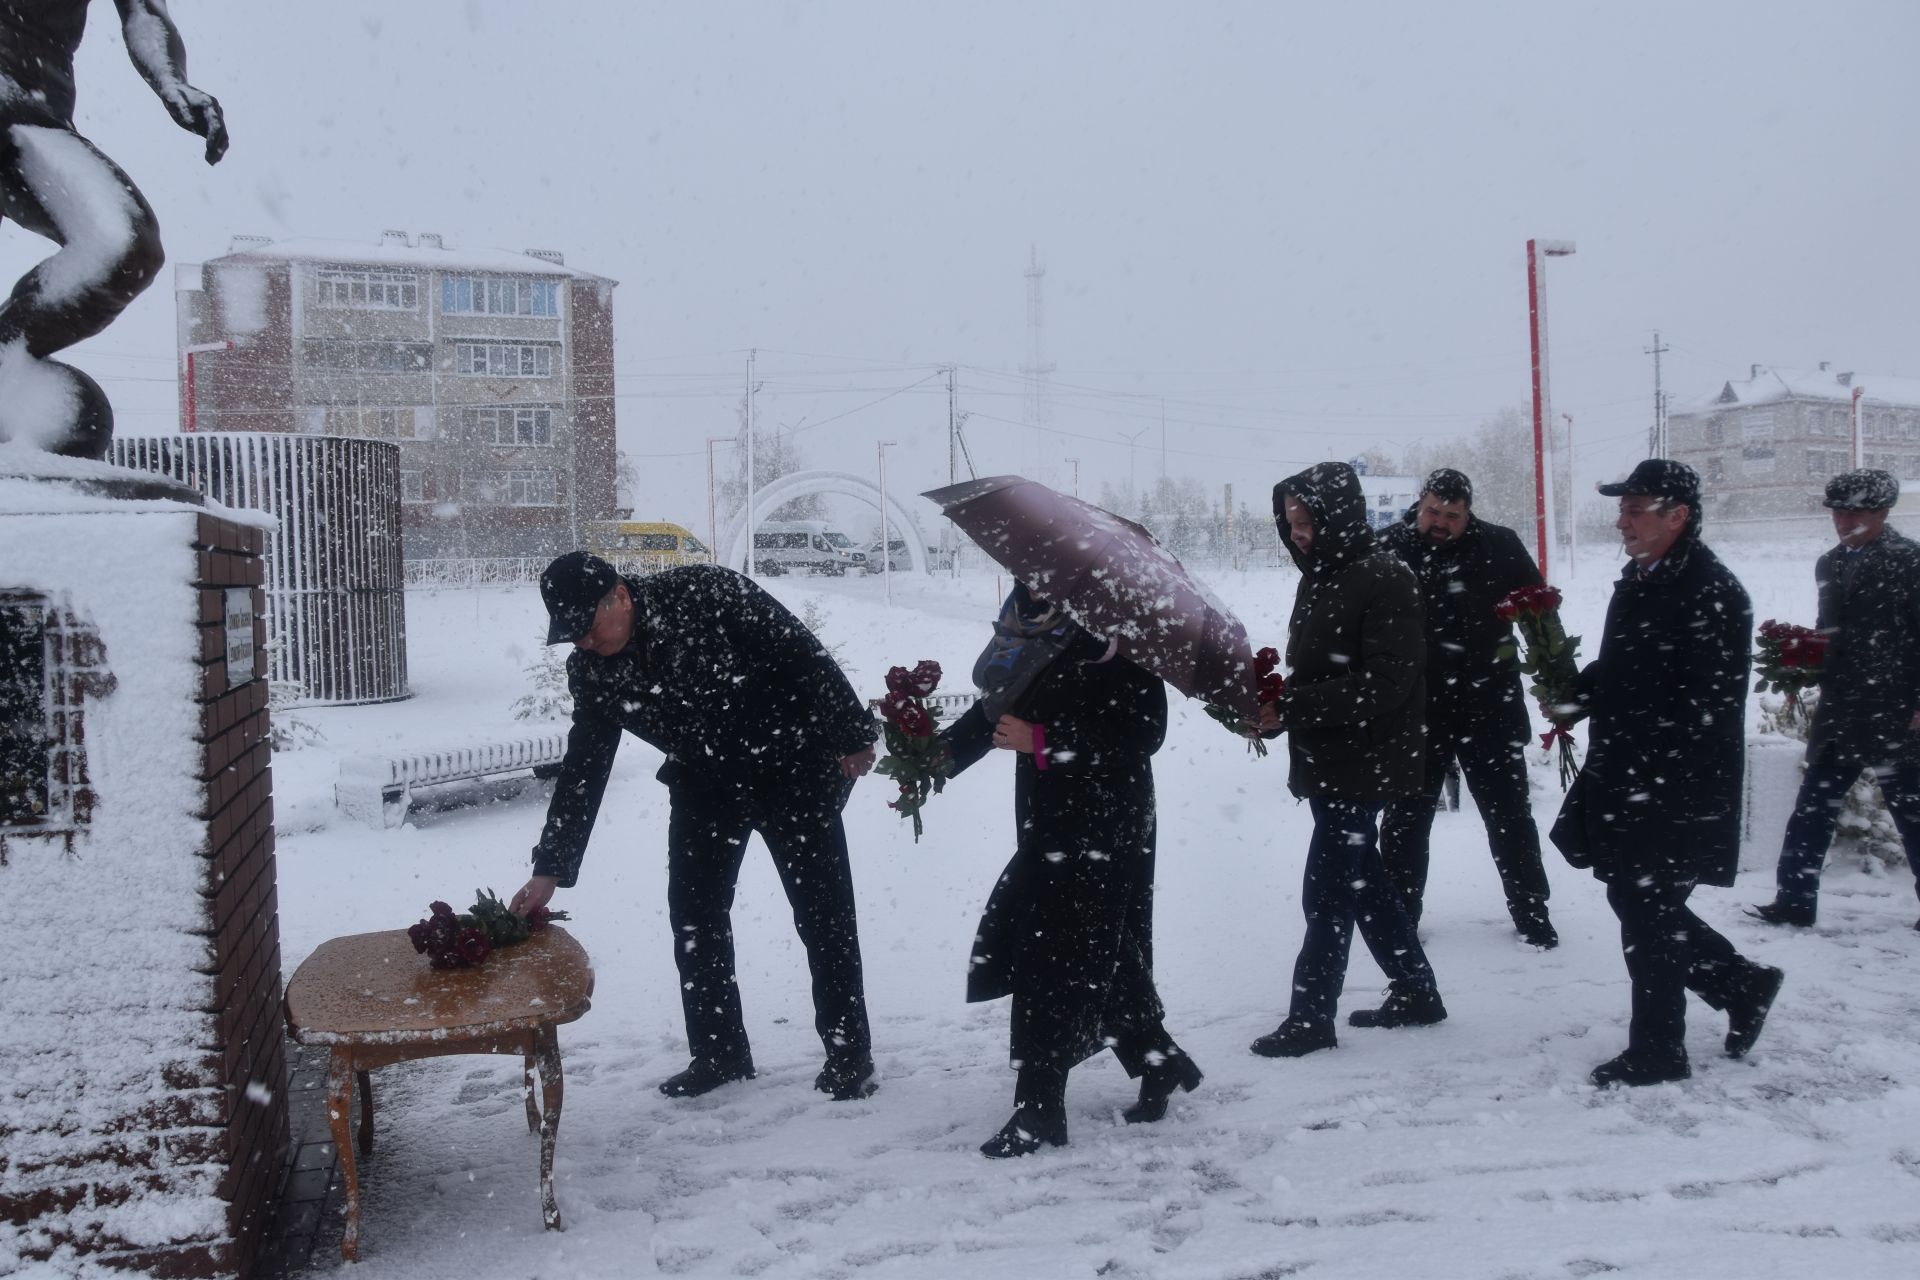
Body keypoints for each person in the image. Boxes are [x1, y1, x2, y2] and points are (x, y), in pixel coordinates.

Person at [508, 553, 882, 1101]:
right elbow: (584, 768)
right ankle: (719, 1052)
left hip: (793, 770)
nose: (582, 643)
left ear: (621, 596)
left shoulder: (705, 592)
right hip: (705, 785)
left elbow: (802, 653)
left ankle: (850, 1054)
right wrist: (550, 868)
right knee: (695, 918)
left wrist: (852, 731)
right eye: (570, 636)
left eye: (587, 628)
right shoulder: (593, 671)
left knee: (824, 915)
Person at [938, 584, 1201, 1158]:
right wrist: (936, 757)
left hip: (1107, 813)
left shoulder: (1114, 627)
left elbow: (1143, 732)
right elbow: (997, 712)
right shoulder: (1028, 624)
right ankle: (1159, 1058)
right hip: (1048, 813)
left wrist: (1046, 740)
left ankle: (1040, 1107)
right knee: (1098, 946)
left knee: (1050, 949)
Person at [1548, 460, 1783, 1087]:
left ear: (1677, 516)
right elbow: (1632, 665)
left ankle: (1660, 1047)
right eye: (1622, 507)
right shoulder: (1645, 577)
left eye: (1636, 508)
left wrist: (1641, 752)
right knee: (1638, 901)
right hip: (1630, 771)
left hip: (1673, 782)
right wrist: (1579, 691)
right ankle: (1740, 984)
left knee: (1646, 908)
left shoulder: (1710, 592)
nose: (1622, 519)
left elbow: (1706, 704)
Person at [1249, 461, 1448, 1060]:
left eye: (1307, 521)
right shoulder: (1326, 574)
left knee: (1329, 891)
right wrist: (1274, 701)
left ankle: (1312, 1016)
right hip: (1334, 754)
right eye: (1291, 523)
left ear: (1337, 516)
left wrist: (1295, 705)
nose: (1298, 533)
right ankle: (1416, 990)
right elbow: (1326, 669)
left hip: (1369, 757)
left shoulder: (1386, 577)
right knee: (1367, 884)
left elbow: (1387, 682)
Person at [0, 0, 227, 458]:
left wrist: (170, 79)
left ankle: (6, 360)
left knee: (126, 247)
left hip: (35, 114)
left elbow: (143, 11)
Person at [1378, 467, 1558, 946]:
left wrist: (1556, 680)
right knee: (1405, 819)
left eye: (1452, 515)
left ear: (1468, 512)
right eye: (1432, 511)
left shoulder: (1500, 546)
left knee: (1510, 816)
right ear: (1420, 503)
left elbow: (1539, 616)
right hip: (1416, 710)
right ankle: (1399, 914)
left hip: (1490, 704)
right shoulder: (1386, 549)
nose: (1440, 522)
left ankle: (1531, 910)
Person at [1751, 468, 1920, 931]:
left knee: (1912, 812)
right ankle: (1794, 902)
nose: (1844, 522)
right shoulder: (1830, 563)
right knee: (1812, 809)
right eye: (1838, 513)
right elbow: (1833, 632)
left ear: (1883, 512)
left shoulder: (1911, 562)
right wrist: (1801, 659)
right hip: (1841, 710)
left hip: (1898, 712)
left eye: (1855, 513)